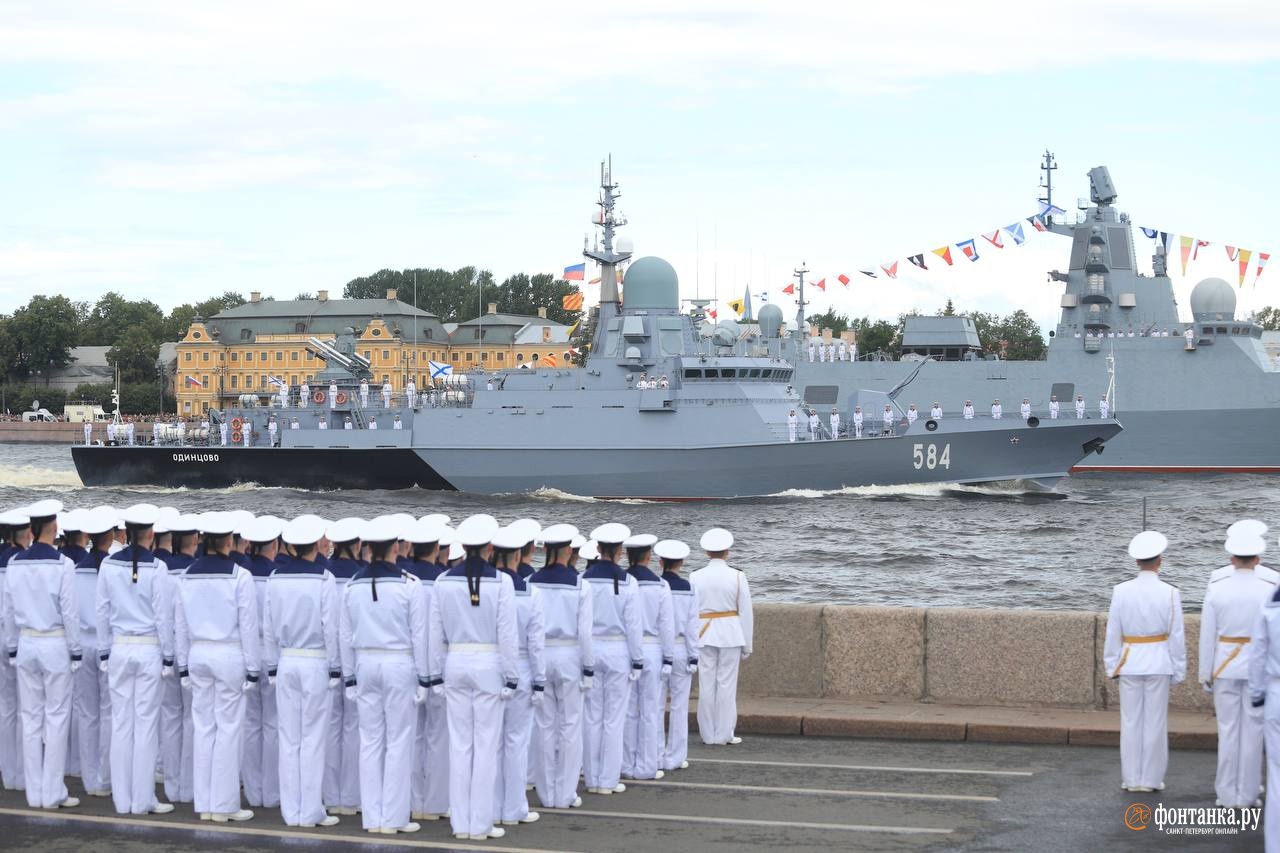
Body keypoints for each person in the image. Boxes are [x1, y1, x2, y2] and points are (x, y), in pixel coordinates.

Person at [427, 514, 518, 841]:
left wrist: (435, 674)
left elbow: (435, 635)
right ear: (491, 547)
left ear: (462, 546)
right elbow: (508, 635)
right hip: (489, 662)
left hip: (455, 662)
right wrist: (511, 675)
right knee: (485, 745)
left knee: (460, 745)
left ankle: (460, 822)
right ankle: (479, 823)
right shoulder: (502, 582)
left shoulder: (442, 582)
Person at [340, 517, 427, 836]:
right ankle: (393, 817)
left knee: (370, 741)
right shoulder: (409, 584)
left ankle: (372, 817)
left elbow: (343, 635)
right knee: (399, 741)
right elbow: (419, 637)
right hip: (398, 664)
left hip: (364, 664)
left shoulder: (351, 586)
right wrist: (423, 677)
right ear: (396, 548)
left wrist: (349, 676)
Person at [174, 511, 259, 823]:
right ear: (228, 540)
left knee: (204, 728)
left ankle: (206, 803)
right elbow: (248, 626)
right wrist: (253, 667)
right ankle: (223, 805)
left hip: (197, 653)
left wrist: (182, 665)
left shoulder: (185, 575)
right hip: (228, 655)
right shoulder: (240, 576)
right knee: (228, 729)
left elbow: (180, 625)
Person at [95, 503, 177, 816]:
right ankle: (142, 799)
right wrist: (168, 657)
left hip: (118, 648)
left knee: (121, 724)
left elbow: (101, 610)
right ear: (151, 534)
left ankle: (122, 798)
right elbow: (163, 618)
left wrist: (104, 651)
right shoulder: (158, 567)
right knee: (145, 726)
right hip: (148, 648)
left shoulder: (108, 566)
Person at [2, 499, 82, 809]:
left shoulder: (15, 563)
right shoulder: (63, 564)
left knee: (30, 718)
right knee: (56, 718)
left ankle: (35, 792)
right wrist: (75, 651)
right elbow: (70, 612)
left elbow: (8, 611)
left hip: (25, 642)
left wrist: (12, 647)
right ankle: (52, 792)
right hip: (54, 642)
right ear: (54, 527)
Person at [262, 516, 341, 828]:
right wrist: (335, 668)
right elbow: (331, 628)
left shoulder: (275, 578)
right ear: (315, 547)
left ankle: (291, 810)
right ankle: (309, 810)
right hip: (314, 660)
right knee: (312, 739)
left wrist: (271, 666)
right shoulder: (323, 578)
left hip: (286, 660)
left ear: (291, 546)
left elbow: (268, 628)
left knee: (289, 737)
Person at [1103, 531, 1185, 793]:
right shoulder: (1170, 593)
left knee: (1130, 723)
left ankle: (1131, 778)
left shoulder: (1121, 591)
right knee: (1155, 723)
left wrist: (1111, 664)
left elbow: (1113, 632)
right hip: (1159, 662)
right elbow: (1177, 635)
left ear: (1137, 562)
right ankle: (1150, 780)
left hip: (1129, 662)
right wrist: (1178, 669)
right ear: (1160, 560)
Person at [1200, 531, 1272, 809]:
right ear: (1258, 558)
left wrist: (1206, 675)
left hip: (1225, 666)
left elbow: (1208, 637)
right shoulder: (1269, 590)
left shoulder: (1217, 589)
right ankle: (1248, 794)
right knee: (1253, 732)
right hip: (1258, 669)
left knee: (1228, 731)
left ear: (1231, 558)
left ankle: (1226, 795)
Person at [529, 524, 591, 811]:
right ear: (568, 550)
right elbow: (585, 633)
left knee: (543, 726)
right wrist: (587, 668)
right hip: (568, 655)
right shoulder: (580, 584)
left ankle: (546, 792)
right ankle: (564, 794)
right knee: (570, 726)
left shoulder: (530, 581)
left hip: (540, 654)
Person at [581, 523, 642, 797]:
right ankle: (607, 779)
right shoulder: (629, 582)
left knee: (592, 717)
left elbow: (578, 623)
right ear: (619, 551)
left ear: (597, 549)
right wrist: (637, 660)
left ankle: (591, 777)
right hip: (618, 651)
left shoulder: (582, 580)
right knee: (614, 719)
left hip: (591, 649)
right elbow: (634, 626)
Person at [490, 525, 546, 827]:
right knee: (516, 741)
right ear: (518, 556)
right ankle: (513, 808)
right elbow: (535, 642)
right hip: (520, 669)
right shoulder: (528, 590)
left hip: (486, 666)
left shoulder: (484, 586)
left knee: (487, 743)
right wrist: (539, 680)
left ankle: (487, 806)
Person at [689, 528, 752, 746]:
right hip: (731, 634)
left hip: (704, 633)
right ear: (727, 552)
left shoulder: (695, 576)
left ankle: (708, 734)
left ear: (707, 552)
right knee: (726, 685)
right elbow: (745, 612)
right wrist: (747, 644)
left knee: (706, 685)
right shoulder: (737, 575)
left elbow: (690, 612)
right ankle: (724, 733)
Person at [621, 534, 672, 783]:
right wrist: (669, 657)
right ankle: (648, 765)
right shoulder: (661, 585)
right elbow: (666, 626)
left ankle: (626, 763)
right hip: (652, 649)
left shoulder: (621, 582)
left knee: (628, 710)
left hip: (625, 649)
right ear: (649, 556)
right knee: (651, 710)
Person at [73, 507, 116, 799]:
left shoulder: (76, 568)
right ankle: (105, 777)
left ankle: (90, 780)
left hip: (83, 642)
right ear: (111, 535)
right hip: (107, 645)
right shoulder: (114, 566)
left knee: (87, 713)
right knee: (108, 713)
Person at [322, 519, 364, 817]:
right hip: (353, 658)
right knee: (353, 729)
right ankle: (349, 797)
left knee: (328, 728)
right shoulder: (361, 576)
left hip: (321, 658)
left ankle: (328, 793)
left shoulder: (323, 573)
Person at [241, 518, 282, 812]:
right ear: (276, 544)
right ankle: (272, 791)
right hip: (272, 655)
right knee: (273, 726)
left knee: (249, 724)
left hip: (244, 653)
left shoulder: (240, 574)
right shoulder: (278, 577)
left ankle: (253, 792)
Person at [159, 515, 199, 805]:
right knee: (193, 720)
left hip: (166, 651)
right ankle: (190, 786)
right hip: (193, 653)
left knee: (170, 718)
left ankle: (172, 786)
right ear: (195, 542)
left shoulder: (161, 571)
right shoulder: (194, 573)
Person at [656, 540, 698, 772]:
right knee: (679, 706)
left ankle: (655, 754)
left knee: (656, 705)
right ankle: (675, 757)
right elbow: (693, 627)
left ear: (660, 562)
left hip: (658, 648)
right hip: (682, 648)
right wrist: (694, 656)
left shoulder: (655, 587)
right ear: (681, 563)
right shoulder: (689, 589)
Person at [0, 509, 31, 793]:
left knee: (5, 708)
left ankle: (8, 772)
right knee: (25, 710)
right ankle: (20, 775)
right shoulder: (21, 563)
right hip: (18, 637)